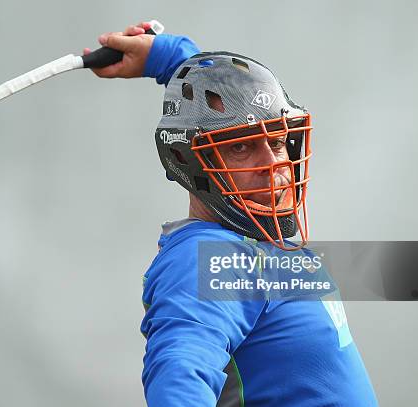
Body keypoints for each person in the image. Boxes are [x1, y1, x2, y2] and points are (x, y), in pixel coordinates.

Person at [87, 22, 378, 406]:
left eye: (276, 140)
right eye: (242, 149)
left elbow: (229, 111)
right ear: (187, 160)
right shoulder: (206, 260)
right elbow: (180, 376)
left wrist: (171, 59)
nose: (273, 163)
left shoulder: (247, 245)